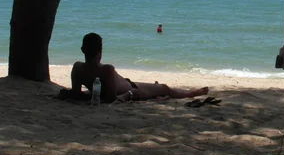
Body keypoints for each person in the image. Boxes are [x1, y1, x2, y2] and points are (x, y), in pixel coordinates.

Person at [68, 32, 208, 103]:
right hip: (132, 88)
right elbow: (111, 98)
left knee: (157, 88)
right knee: (165, 89)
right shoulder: (106, 69)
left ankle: (155, 86)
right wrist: (129, 94)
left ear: (82, 49)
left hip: (127, 83)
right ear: (100, 51)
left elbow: (76, 94)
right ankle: (190, 94)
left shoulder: (78, 67)